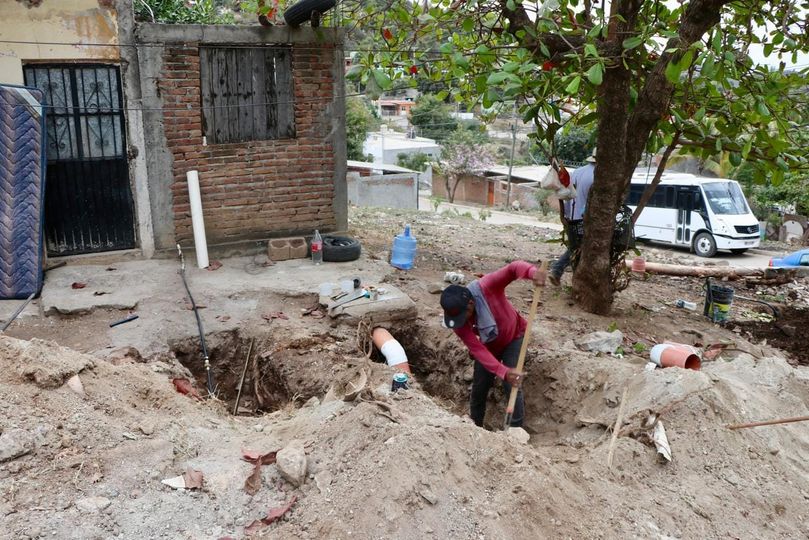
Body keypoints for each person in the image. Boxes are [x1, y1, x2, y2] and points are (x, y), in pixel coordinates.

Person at [440, 261, 546, 428]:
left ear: (470, 304)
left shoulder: (487, 286)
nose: (461, 321)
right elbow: (477, 349)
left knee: (511, 384)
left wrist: (533, 272)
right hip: (489, 344)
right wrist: (501, 370)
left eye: (463, 315)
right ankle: (475, 428)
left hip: (515, 336)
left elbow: (513, 269)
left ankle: (515, 431)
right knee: (479, 387)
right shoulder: (457, 323)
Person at [549, 148, 596, 286]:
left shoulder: (577, 172)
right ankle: (557, 269)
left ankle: (573, 279)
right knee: (577, 247)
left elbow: (568, 195)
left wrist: (567, 215)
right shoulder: (599, 177)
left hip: (572, 217)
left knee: (577, 248)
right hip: (585, 219)